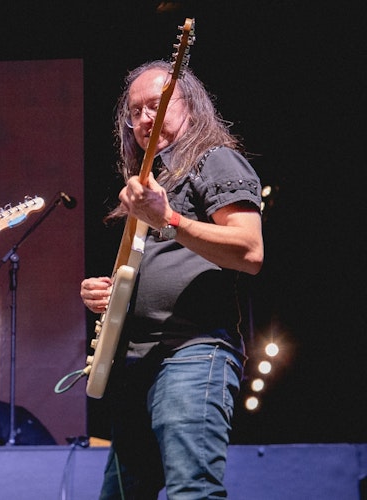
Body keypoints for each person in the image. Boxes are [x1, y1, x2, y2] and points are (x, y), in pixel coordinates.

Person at [80, 60, 264, 499]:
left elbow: (250, 251)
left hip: (192, 354)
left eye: (157, 105)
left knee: (191, 491)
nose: (146, 118)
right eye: (136, 111)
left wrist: (171, 219)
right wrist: (109, 293)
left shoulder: (213, 161)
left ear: (191, 106)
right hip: (137, 365)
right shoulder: (154, 184)